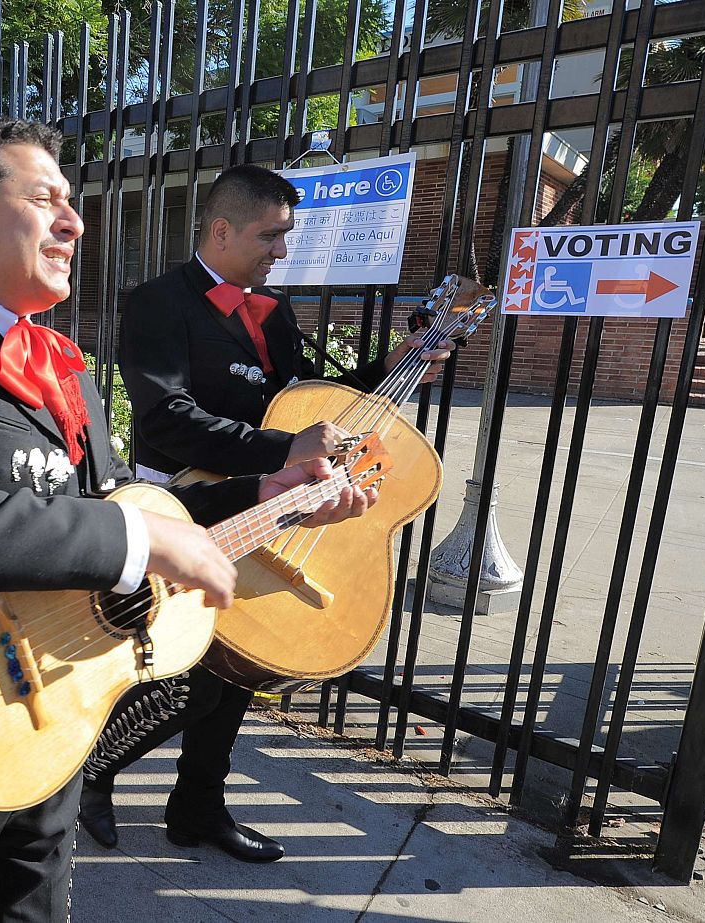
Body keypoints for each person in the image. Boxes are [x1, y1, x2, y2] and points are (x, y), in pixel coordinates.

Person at [0, 118, 375, 923]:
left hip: (58, 696)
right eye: (45, 199)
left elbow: (124, 507)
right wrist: (138, 540)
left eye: (72, 203)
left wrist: (269, 491)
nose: (74, 223)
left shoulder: (61, 366)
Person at [78, 163, 454, 862]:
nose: (281, 251)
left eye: (286, 237)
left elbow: (308, 404)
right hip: (191, 502)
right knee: (186, 676)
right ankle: (92, 773)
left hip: (270, 502)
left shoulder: (271, 311)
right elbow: (165, 418)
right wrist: (282, 448)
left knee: (236, 676)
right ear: (221, 231)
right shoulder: (158, 302)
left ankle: (198, 807)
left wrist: (396, 362)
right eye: (270, 236)